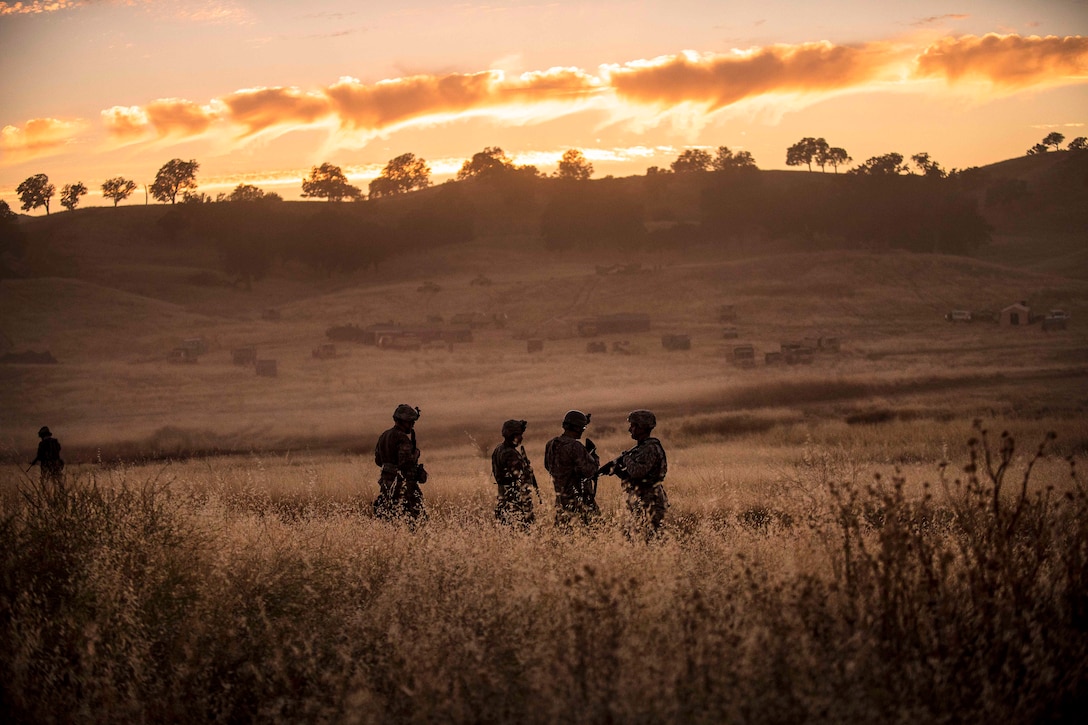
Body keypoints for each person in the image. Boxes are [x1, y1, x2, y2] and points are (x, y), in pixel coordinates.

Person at [599, 409, 669, 539]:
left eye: (633, 425)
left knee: (651, 539)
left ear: (641, 427)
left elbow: (637, 472)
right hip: (642, 498)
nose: (630, 429)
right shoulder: (642, 448)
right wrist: (618, 472)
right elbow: (635, 477)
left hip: (650, 500)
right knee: (634, 538)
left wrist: (625, 458)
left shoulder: (649, 448)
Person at [544, 410, 600, 528]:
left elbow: (548, 466)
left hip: (560, 500)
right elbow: (590, 471)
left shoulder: (551, 444)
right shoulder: (575, 446)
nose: (583, 430)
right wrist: (593, 455)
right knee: (594, 531)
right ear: (577, 428)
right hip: (580, 500)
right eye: (583, 427)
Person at [373, 404, 427, 522]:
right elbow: (405, 463)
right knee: (418, 520)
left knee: (390, 518)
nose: (412, 424)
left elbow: (378, 461)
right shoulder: (402, 438)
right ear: (401, 421)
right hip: (403, 486)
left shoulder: (384, 436)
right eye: (410, 422)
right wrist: (416, 454)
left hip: (386, 485)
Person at [492, 419, 539, 530]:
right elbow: (520, 477)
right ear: (513, 435)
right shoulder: (510, 453)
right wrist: (527, 469)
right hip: (514, 499)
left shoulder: (498, 449)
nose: (521, 438)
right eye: (519, 435)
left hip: (503, 497)